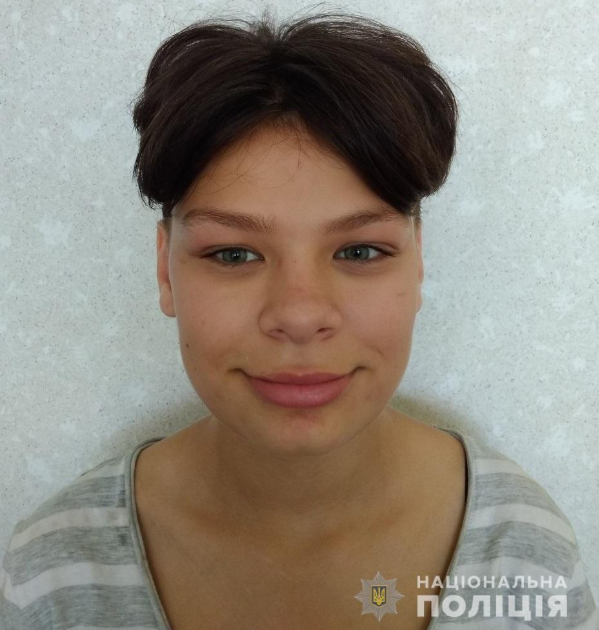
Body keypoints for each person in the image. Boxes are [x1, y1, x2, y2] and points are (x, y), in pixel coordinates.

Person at [1, 9, 596, 629]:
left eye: (360, 251)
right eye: (234, 254)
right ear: (165, 270)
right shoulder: (52, 570)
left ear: (418, 263)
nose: (300, 316)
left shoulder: (527, 555)